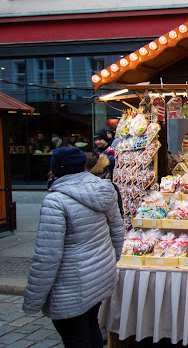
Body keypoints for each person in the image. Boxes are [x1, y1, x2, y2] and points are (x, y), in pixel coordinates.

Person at [23, 147, 124, 347]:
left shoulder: (56, 201)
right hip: (98, 277)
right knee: (91, 330)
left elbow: (47, 257)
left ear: (56, 169)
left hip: (70, 286)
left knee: (77, 339)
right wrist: (115, 260)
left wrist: (33, 300)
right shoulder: (104, 188)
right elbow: (117, 230)